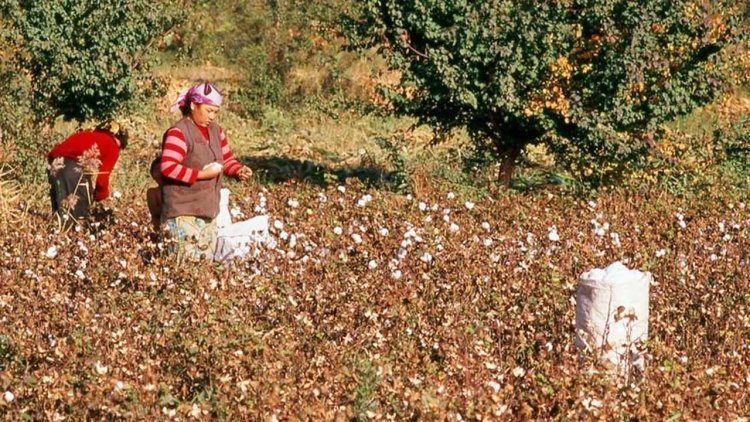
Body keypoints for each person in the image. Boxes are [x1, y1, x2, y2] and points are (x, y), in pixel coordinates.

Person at [157, 81, 252, 260]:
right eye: (209, 110)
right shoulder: (179, 132)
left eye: (215, 112)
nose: (212, 116)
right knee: (183, 270)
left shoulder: (216, 132)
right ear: (193, 105)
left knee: (202, 270)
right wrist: (201, 175)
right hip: (182, 214)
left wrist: (238, 170)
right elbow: (168, 167)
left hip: (207, 213)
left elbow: (226, 159)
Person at [47, 121, 128, 221]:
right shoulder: (113, 145)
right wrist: (101, 199)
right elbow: (102, 181)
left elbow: (53, 153)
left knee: (59, 215)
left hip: (54, 166)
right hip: (72, 170)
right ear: (118, 139)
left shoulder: (83, 134)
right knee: (79, 219)